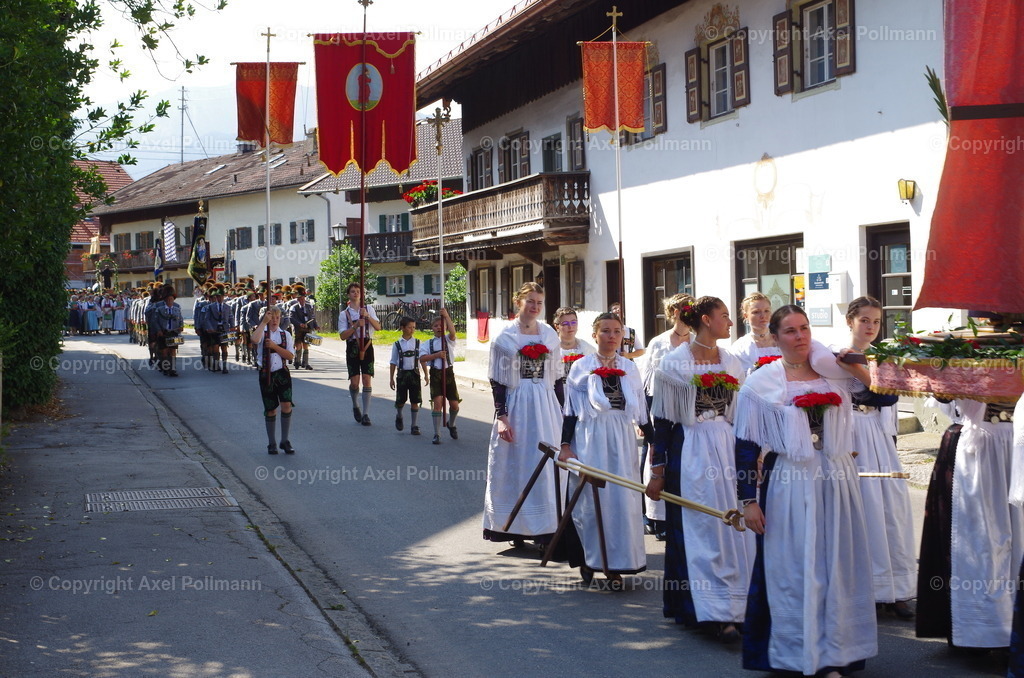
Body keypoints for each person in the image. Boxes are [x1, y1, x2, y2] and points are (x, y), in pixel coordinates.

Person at [734, 305, 881, 677]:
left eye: (804, 329)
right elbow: (746, 447)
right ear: (775, 336)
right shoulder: (762, 381)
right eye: (790, 331)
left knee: (837, 564)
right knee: (797, 566)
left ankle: (835, 651)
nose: (800, 337)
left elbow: (884, 397)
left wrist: (853, 366)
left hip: (837, 479)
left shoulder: (834, 374)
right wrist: (748, 501)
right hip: (791, 481)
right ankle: (799, 652)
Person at [647, 295, 753, 642]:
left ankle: (739, 606)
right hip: (691, 449)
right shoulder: (675, 363)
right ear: (706, 320)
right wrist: (658, 469)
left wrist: (755, 456)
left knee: (733, 524)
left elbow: (742, 414)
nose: (730, 322)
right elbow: (661, 421)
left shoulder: (733, 362)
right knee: (700, 524)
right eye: (725, 316)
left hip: (727, 446)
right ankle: (707, 609)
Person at [916, 392, 1023, 649]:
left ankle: (1016, 629)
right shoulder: (965, 356)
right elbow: (944, 398)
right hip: (980, 447)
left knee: (1019, 537)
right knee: (981, 540)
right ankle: (986, 630)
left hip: (1018, 443)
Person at [560, 312, 652, 587]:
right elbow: (570, 412)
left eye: (616, 331)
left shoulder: (631, 368)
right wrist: (565, 446)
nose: (611, 337)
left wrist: (654, 441)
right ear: (595, 335)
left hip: (622, 442)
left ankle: (617, 563)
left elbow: (642, 411)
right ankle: (592, 558)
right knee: (591, 500)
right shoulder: (581, 367)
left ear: (623, 335)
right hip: (591, 439)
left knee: (622, 501)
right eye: (605, 331)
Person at [843, 296, 916, 618]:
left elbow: (888, 397)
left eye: (875, 321)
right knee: (865, 508)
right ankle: (868, 589)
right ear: (850, 322)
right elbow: (865, 393)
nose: (871, 327)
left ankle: (896, 589)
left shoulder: (883, 356)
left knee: (891, 508)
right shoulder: (835, 356)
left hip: (879, 435)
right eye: (864, 321)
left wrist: (867, 370)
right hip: (852, 435)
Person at [483, 282, 562, 546]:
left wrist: (563, 411)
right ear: (519, 302)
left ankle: (545, 527)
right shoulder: (505, 337)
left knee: (545, 461)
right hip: (517, 404)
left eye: (539, 302)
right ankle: (513, 526)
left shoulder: (549, 335)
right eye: (530, 301)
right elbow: (498, 381)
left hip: (544, 404)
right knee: (516, 464)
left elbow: (557, 378)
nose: (535, 307)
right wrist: (502, 417)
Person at [638, 293, 695, 542]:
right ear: (674, 313)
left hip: (687, 407)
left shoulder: (696, 341)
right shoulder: (658, 343)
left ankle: (678, 511)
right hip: (660, 407)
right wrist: (644, 418)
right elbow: (647, 381)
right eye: (683, 309)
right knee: (653, 456)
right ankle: (653, 515)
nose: (687, 313)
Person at [252, 305, 296, 455]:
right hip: (266, 374)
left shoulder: (285, 335)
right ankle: (272, 443)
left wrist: (275, 347)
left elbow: (290, 356)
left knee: (286, 405)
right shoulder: (262, 333)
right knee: (270, 409)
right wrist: (263, 323)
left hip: (282, 373)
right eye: (272, 317)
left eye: (278, 317)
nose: (275, 320)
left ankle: (285, 440)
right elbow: (254, 339)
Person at [339, 283, 381, 425]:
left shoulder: (368, 309)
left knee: (367, 379)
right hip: (352, 347)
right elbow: (343, 336)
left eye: (358, 291)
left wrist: (368, 316)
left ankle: (366, 413)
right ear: (348, 295)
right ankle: (355, 404)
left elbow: (379, 327)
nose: (356, 293)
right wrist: (356, 326)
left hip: (367, 345)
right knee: (355, 382)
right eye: (352, 291)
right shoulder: (344, 314)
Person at [420, 307, 461, 445]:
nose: (439, 327)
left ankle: (452, 423)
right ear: (432, 328)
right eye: (436, 326)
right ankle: (436, 433)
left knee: (454, 404)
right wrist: (436, 355)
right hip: (436, 374)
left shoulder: (448, 340)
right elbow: (422, 359)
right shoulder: (427, 343)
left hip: (448, 373)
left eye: (441, 325)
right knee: (438, 403)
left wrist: (446, 316)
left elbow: (453, 332)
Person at [389, 316, 427, 436]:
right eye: (410, 327)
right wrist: (391, 378)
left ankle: (414, 425)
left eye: (414, 327)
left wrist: (426, 374)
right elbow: (393, 361)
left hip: (414, 373)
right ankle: (399, 415)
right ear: (402, 328)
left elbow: (422, 360)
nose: (412, 330)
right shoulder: (397, 344)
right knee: (400, 400)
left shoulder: (418, 343)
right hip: (402, 374)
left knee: (415, 400)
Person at [553, 306, 594, 408]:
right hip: (557, 397)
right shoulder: (551, 349)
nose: (570, 327)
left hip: (582, 398)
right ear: (557, 326)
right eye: (565, 324)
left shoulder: (587, 349)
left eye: (573, 322)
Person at [729, 292, 780, 373]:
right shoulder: (740, 347)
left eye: (766, 311)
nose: (763, 316)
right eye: (756, 312)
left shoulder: (781, 341)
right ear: (746, 316)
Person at [153, 285, 184, 377]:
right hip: (163, 332)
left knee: (173, 351)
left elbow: (181, 320)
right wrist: (158, 330)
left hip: (173, 332)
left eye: (171, 299)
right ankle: (165, 368)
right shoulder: (159, 309)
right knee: (164, 352)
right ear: (165, 300)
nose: (170, 301)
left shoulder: (177, 309)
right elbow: (155, 321)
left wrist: (181, 326)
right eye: (168, 299)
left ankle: (173, 369)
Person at [288, 285, 318, 370]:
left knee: (306, 344)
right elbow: (291, 318)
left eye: (303, 298)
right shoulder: (294, 307)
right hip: (298, 329)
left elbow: (313, 317)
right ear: (297, 299)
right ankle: (297, 361)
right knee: (298, 344)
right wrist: (299, 324)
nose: (301, 300)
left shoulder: (309, 306)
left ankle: (306, 363)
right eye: (300, 299)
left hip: (307, 328)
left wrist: (316, 325)